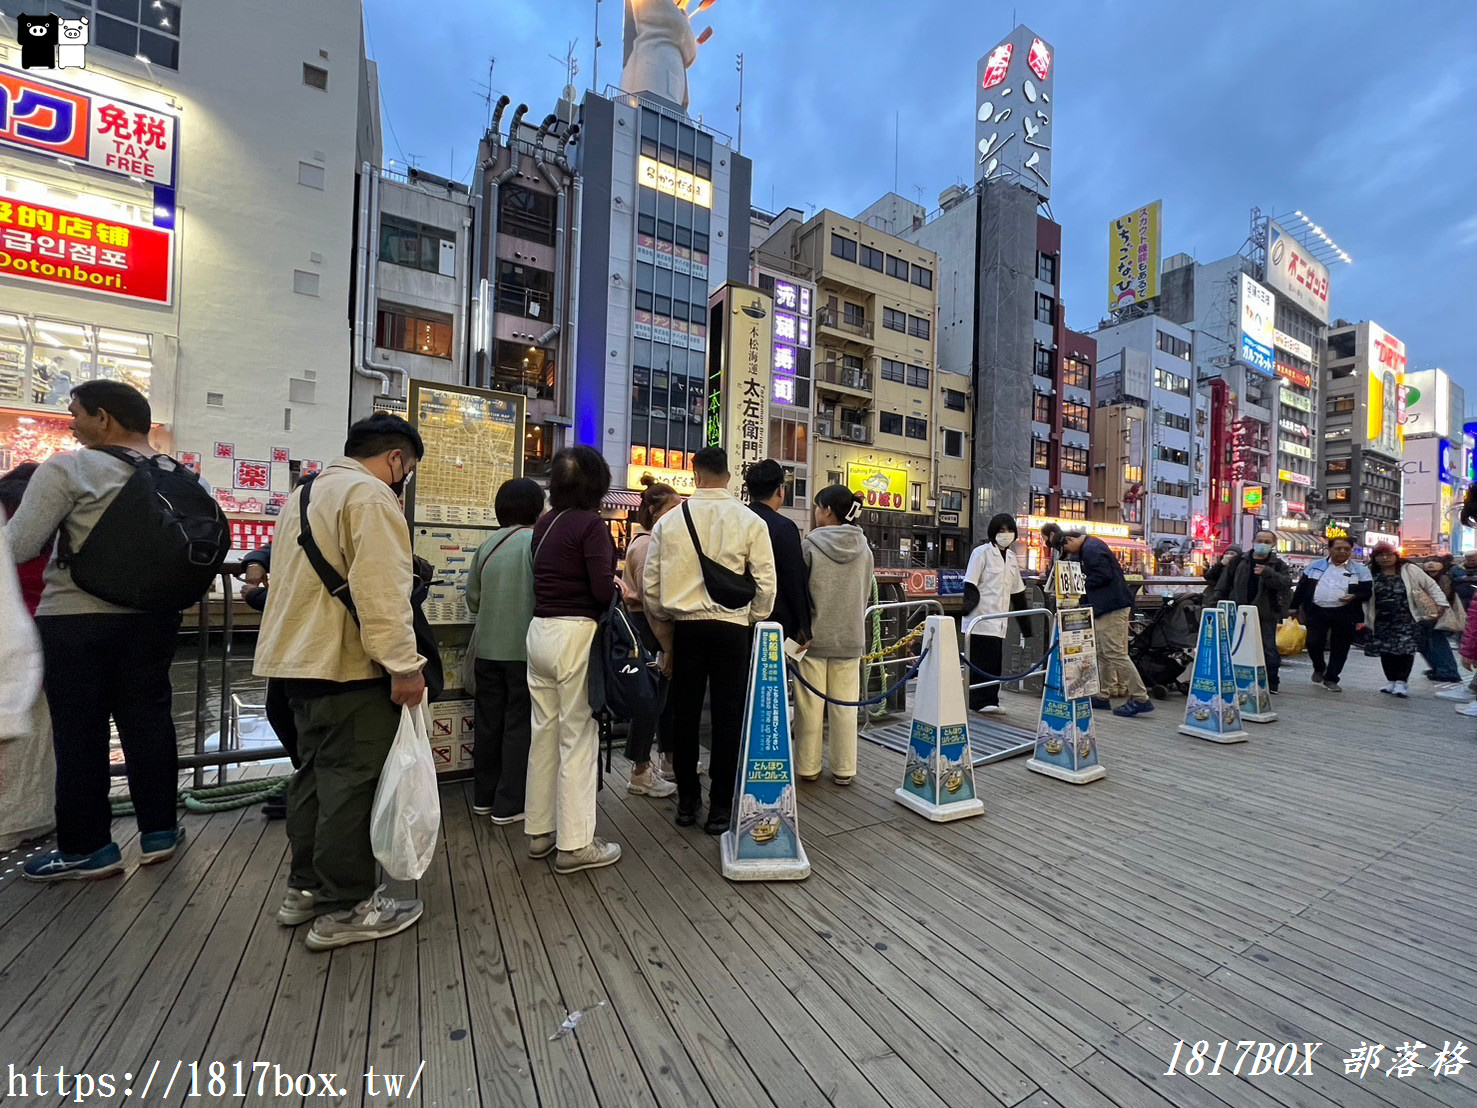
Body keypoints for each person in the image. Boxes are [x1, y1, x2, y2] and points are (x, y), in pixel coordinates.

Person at [255, 413, 428, 949]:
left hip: (296, 664)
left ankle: (304, 888)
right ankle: (346, 905)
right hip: (346, 666)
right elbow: (382, 592)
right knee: (350, 785)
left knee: (313, 778)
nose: (404, 479)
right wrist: (403, 665)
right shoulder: (371, 497)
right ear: (396, 459)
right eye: (408, 470)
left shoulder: (305, 495)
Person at [4, 382, 187, 881]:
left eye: (76, 414)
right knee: (150, 723)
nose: (71, 424)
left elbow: (17, 545)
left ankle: (89, 849)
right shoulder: (182, 476)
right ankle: (160, 833)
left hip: (76, 620)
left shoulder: (69, 468)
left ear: (104, 419)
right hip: (155, 619)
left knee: (80, 734)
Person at [644, 446, 777, 834]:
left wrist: (667, 623)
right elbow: (766, 584)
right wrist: (751, 616)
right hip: (733, 629)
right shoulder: (750, 520)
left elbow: (651, 587)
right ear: (729, 477)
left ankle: (688, 804)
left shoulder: (670, 522)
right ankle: (720, 808)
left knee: (684, 718)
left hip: (687, 629)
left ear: (695, 474)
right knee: (728, 718)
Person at [525, 446, 623, 873]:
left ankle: (540, 831)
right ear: (597, 485)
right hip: (574, 635)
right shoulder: (591, 525)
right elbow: (602, 591)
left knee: (543, 734)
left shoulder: (545, 523)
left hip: (540, 632)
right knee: (578, 738)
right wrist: (619, 587)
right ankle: (576, 844)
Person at [465, 478, 544, 823]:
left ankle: (483, 796)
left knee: (487, 725)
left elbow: (473, 600)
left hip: (487, 651)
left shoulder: (487, 545)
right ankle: (509, 804)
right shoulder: (535, 543)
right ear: (535, 508)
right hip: (523, 651)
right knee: (517, 726)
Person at [793, 486, 873, 785]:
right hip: (850, 637)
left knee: (809, 707)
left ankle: (808, 767)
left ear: (827, 510)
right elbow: (865, 593)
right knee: (844, 708)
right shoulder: (864, 548)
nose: (815, 512)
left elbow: (802, 595)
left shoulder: (810, 546)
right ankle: (844, 768)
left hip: (812, 640)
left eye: (816, 506)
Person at [0, 463, 55, 850]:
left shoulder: (9, 517)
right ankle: (26, 821)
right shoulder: (49, 520)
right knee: (36, 738)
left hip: (14, 633)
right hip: (42, 633)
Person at [621, 477, 680, 799]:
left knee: (659, 701)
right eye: (672, 507)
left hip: (648, 627)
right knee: (650, 702)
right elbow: (652, 601)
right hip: (649, 629)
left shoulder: (647, 543)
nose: (678, 513)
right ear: (655, 512)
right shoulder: (645, 546)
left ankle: (661, 762)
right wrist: (668, 647)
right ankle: (641, 770)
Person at [1060, 530, 1153, 717]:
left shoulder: (1091, 549)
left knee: (1114, 652)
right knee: (1102, 652)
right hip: (1107, 607)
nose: (1069, 553)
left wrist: (1080, 585)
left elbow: (1103, 575)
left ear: (1070, 539)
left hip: (1111, 607)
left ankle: (1140, 697)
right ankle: (1102, 694)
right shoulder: (1091, 546)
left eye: (1066, 548)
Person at [1207, 530, 1291, 693]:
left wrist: (1268, 573)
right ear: (1253, 541)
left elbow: (1285, 583)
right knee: (1235, 645)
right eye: (1260, 540)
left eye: (1267, 542)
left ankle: (1272, 681)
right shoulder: (1239, 561)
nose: (1262, 544)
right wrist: (1212, 605)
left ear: (1273, 545)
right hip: (1238, 611)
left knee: (1268, 647)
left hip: (1266, 613)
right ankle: (1235, 679)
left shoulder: (1278, 564)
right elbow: (1223, 585)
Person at [1362, 543, 1447, 698]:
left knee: (1405, 650)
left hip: (1407, 618)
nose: (1385, 558)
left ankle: (1402, 682)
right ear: (1374, 558)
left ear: (1396, 555)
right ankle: (1391, 681)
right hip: (1381, 619)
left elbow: (1431, 585)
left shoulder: (1409, 569)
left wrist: (1441, 603)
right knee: (1386, 651)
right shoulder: (1369, 571)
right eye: (1380, 555)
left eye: (1389, 554)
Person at [962, 513, 1026, 712]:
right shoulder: (981, 553)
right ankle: (977, 701)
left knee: (995, 662)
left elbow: (1018, 592)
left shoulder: (1013, 559)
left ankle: (991, 700)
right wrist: (965, 610)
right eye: (1001, 530)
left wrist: (1026, 625)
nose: (1005, 534)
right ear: (993, 532)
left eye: (1009, 530)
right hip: (980, 618)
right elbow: (970, 582)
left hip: (999, 621)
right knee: (980, 662)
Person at [1292, 535, 1373, 692]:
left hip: (1345, 612)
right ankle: (1319, 666)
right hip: (1317, 610)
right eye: (1338, 548)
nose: (1342, 552)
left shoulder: (1360, 570)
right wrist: (1293, 607)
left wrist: (1354, 596)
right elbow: (1302, 588)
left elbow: (1367, 592)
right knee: (1313, 642)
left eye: (1346, 549)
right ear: (1329, 549)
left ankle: (1331, 678)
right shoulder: (1315, 566)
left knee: (1341, 647)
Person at [745, 459, 810, 645]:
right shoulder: (784, 527)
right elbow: (794, 578)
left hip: (736, 617)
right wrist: (803, 625)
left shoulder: (737, 520)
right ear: (781, 490)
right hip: (775, 621)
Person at [1417, 556, 1463, 687]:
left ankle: (1447, 671)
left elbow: (1445, 595)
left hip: (1437, 615)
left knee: (1437, 642)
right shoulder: (1428, 576)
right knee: (1426, 643)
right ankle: (1440, 669)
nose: (1431, 568)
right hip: (1429, 615)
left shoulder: (1444, 577)